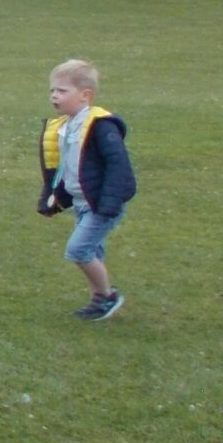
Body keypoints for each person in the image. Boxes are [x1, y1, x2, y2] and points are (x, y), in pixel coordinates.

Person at [38, 58, 136, 320]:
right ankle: (99, 300)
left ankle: (108, 296)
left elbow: (118, 165)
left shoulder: (101, 126)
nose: (54, 96)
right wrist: (53, 199)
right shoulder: (65, 127)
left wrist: (110, 202)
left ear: (85, 95)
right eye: (52, 90)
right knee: (92, 250)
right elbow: (62, 168)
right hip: (82, 203)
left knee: (78, 250)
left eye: (62, 90)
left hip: (100, 204)